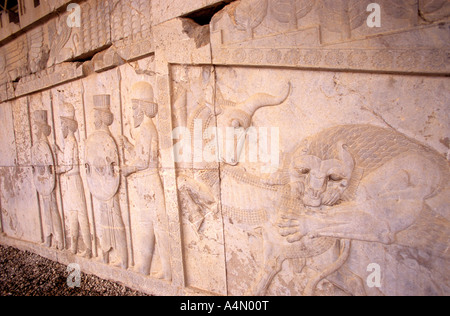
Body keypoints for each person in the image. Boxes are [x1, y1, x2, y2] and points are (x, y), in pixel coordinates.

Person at [120, 82, 171, 279]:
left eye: (134, 108)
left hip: (149, 182)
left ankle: (167, 272)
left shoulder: (147, 129)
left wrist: (126, 169)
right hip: (144, 184)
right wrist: (128, 145)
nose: (132, 113)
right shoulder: (143, 130)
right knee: (146, 226)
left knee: (159, 227)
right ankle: (145, 267)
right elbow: (140, 156)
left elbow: (142, 162)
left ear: (141, 107)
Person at [55, 103, 92, 258]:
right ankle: (75, 246)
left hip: (74, 180)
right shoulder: (69, 142)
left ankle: (87, 248)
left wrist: (58, 170)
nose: (61, 127)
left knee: (80, 214)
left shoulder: (71, 141)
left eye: (62, 124)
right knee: (73, 214)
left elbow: (68, 165)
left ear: (68, 125)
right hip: (71, 181)